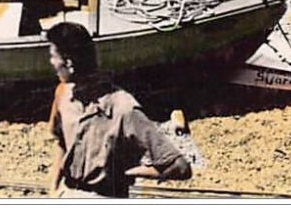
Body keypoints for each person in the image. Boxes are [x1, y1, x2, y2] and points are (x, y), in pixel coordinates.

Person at [46, 21, 192, 198]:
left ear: (68, 63)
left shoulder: (123, 108)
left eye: (53, 56)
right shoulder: (62, 94)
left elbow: (179, 166)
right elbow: (62, 143)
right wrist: (53, 191)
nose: (51, 62)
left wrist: (129, 173)